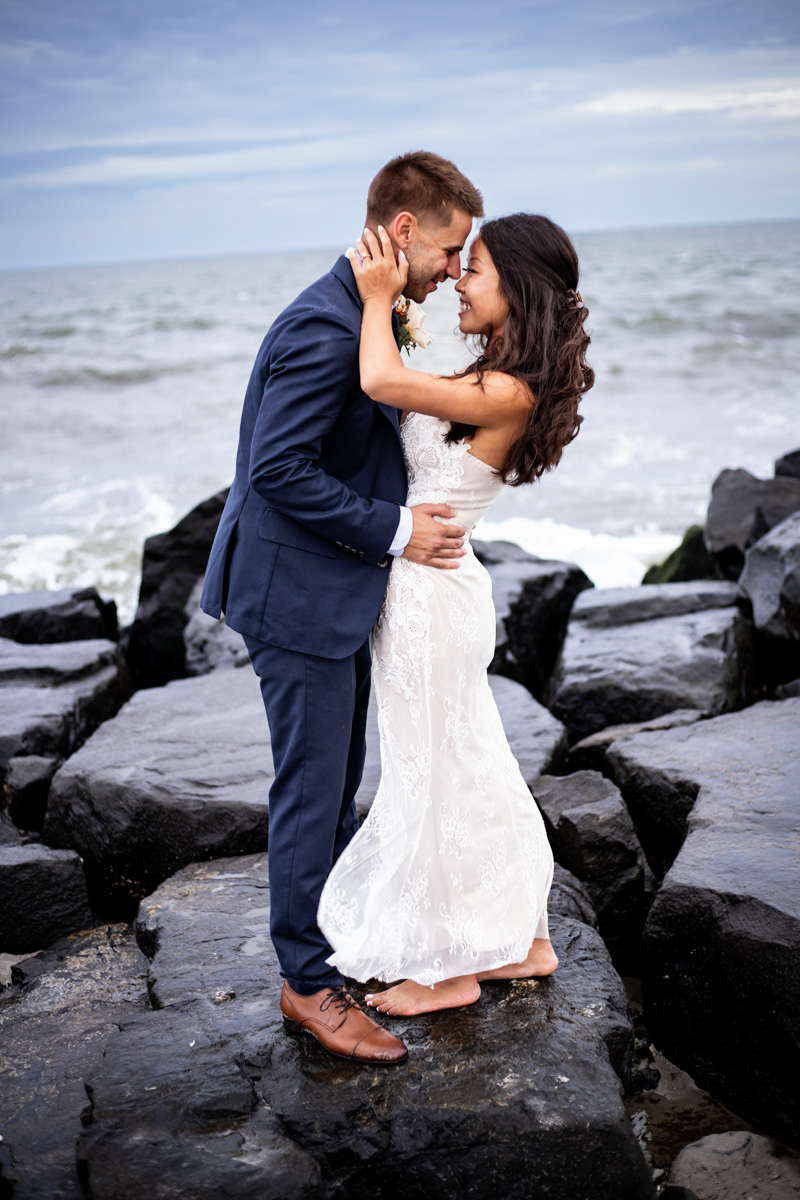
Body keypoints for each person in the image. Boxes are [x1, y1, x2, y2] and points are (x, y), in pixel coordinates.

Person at [200, 151, 484, 1064]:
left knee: (335, 778)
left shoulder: (357, 311)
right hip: (296, 596)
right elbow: (277, 472)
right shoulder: (325, 329)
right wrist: (399, 530)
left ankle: (320, 952)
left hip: (324, 586)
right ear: (403, 231)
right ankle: (308, 987)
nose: (452, 269)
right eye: (450, 248)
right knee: (313, 787)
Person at [317, 214, 594, 1017]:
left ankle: (446, 970)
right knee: (469, 757)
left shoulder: (504, 390)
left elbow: (378, 382)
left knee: (427, 771)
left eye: (474, 270)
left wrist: (376, 297)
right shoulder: (491, 374)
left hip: (431, 598)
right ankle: (525, 940)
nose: (458, 283)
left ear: (518, 286)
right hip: (438, 584)